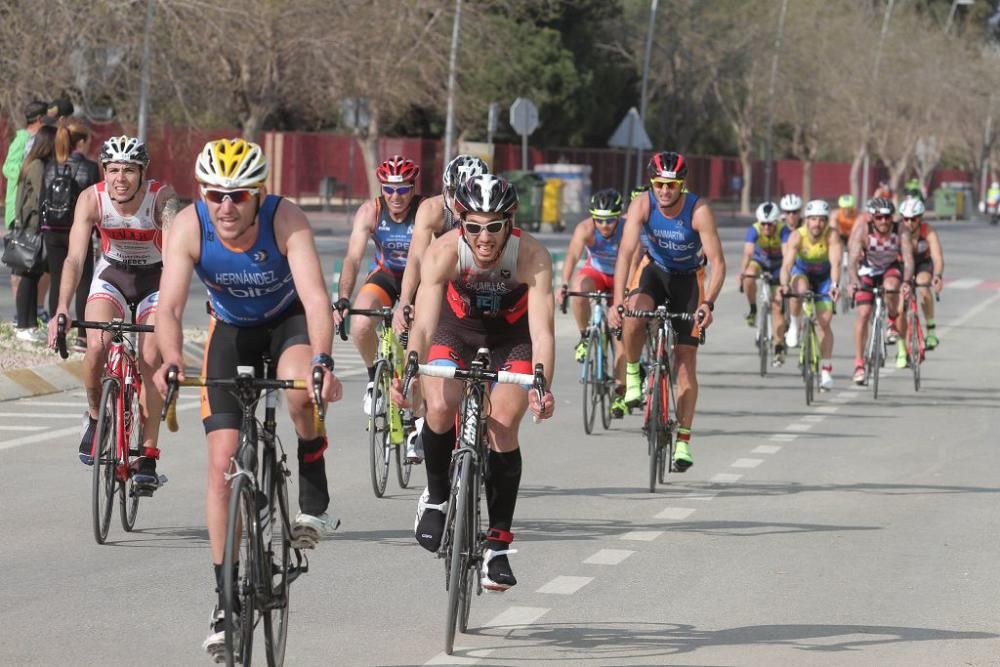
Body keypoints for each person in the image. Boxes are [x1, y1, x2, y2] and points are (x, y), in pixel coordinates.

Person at [151, 138, 343, 657]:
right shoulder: (189, 226)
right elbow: (167, 309)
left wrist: (323, 360)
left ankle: (313, 480)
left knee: (302, 394)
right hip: (231, 330)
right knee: (221, 464)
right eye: (215, 195)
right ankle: (224, 599)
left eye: (238, 196)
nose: (226, 207)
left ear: (258, 195)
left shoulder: (287, 220)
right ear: (203, 195)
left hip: (288, 323)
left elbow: (316, 298)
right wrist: (170, 360)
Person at [397, 173, 555, 591]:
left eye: (494, 226)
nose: (484, 238)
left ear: (510, 222)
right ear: (460, 222)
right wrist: (410, 370)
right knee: (440, 405)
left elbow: (542, 334)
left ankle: (498, 546)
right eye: (473, 226)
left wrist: (542, 386)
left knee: (503, 422)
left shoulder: (532, 257)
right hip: (456, 329)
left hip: (511, 337)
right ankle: (436, 496)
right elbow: (425, 325)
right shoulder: (443, 252)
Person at [47, 136, 178, 495]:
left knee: (151, 358)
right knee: (96, 348)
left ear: (142, 173)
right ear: (104, 171)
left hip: (155, 280)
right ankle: (94, 417)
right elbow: (74, 259)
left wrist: (168, 312)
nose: (121, 177)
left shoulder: (162, 201)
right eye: (114, 169)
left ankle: (147, 456)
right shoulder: (92, 198)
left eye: (129, 170)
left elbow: (176, 261)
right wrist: (61, 309)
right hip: (112, 276)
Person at [609, 151, 726, 472]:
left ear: (681, 185)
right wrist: (617, 300)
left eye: (671, 185)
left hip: (689, 281)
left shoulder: (699, 211)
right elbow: (625, 254)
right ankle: (633, 374)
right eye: (659, 184)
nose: (664, 191)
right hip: (655, 273)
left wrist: (708, 303)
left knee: (685, 362)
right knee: (634, 314)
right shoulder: (642, 204)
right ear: (652, 183)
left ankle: (684, 440)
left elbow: (718, 262)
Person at [392, 154, 489, 462]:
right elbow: (417, 259)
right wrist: (406, 301)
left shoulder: (492, 208)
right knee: (423, 341)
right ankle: (420, 417)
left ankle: (479, 418)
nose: (460, 206)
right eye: (454, 196)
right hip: (439, 278)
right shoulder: (432, 211)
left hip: (477, 282)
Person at [334, 155, 422, 415]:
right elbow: (352, 258)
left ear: (413, 188)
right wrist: (343, 298)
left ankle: (416, 416)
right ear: (381, 188)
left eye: (403, 189)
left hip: (418, 280)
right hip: (385, 275)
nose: (396, 196)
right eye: (389, 189)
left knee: (419, 337)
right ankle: (374, 378)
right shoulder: (370, 212)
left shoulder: (424, 211)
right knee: (361, 325)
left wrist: (408, 301)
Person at [558, 188, 628, 415]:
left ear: (619, 216)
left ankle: (620, 394)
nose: (604, 225)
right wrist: (564, 284)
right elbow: (572, 256)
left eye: (609, 220)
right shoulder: (585, 229)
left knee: (621, 338)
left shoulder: (628, 229)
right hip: (596, 273)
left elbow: (636, 262)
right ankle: (585, 337)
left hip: (621, 277)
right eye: (599, 219)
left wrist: (628, 293)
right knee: (579, 289)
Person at [43, 118, 100, 351]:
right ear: (83, 141)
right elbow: (96, 199)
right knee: (84, 279)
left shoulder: (50, 166)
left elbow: (41, 200)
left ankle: (57, 331)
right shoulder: (89, 167)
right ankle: (82, 337)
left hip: (53, 230)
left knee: (58, 278)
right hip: (79, 230)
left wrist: (43, 226)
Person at [848, 197, 913, 382]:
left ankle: (892, 318)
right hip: (868, 270)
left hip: (890, 268)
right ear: (872, 218)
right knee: (863, 313)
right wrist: (853, 281)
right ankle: (859, 364)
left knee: (891, 287)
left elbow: (908, 260)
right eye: (879, 218)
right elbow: (852, 261)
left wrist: (907, 281)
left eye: (887, 217)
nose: (884, 221)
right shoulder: (862, 230)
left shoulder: (901, 230)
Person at [778, 199, 842, 390]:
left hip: (823, 279)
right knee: (800, 289)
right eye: (813, 219)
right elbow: (787, 266)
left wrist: (835, 285)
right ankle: (795, 326)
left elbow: (836, 264)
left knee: (824, 323)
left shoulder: (832, 235)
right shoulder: (798, 236)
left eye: (821, 220)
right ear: (806, 220)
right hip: (802, 273)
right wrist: (783, 285)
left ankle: (826, 370)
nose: (817, 224)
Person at [3, 100, 49, 318]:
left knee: (36, 261)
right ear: (39, 118)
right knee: (18, 259)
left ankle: (35, 309)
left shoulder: (41, 139)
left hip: (34, 210)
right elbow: (7, 167)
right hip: (18, 208)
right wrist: (25, 170)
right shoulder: (21, 139)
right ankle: (19, 313)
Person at [11, 126, 56, 342]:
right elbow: (40, 197)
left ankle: (28, 324)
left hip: (29, 226)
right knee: (28, 276)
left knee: (31, 275)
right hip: (32, 228)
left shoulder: (33, 162)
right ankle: (23, 326)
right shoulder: (38, 166)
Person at [739, 201, 789, 365]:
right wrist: (742, 274)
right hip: (759, 261)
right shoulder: (754, 229)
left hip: (777, 266)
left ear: (776, 222)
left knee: (777, 306)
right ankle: (753, 309)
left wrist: (785, 282)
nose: (767, 227)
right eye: (764, 224)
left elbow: (788, 256)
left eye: (770, 224)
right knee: (749, 275)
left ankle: (778, 347)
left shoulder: (783, 230)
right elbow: (747, 254)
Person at [898, 197, 944, 350]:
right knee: (899, 302)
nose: (909, 223)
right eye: (906, 219)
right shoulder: (897, 231)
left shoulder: (928, 231)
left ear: (920, 218)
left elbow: (937, 257)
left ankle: (931, 331)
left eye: (913, 219)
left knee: (923, 286)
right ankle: (901, 347)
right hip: (902, 264)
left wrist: (937, 276)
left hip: (922, 263)